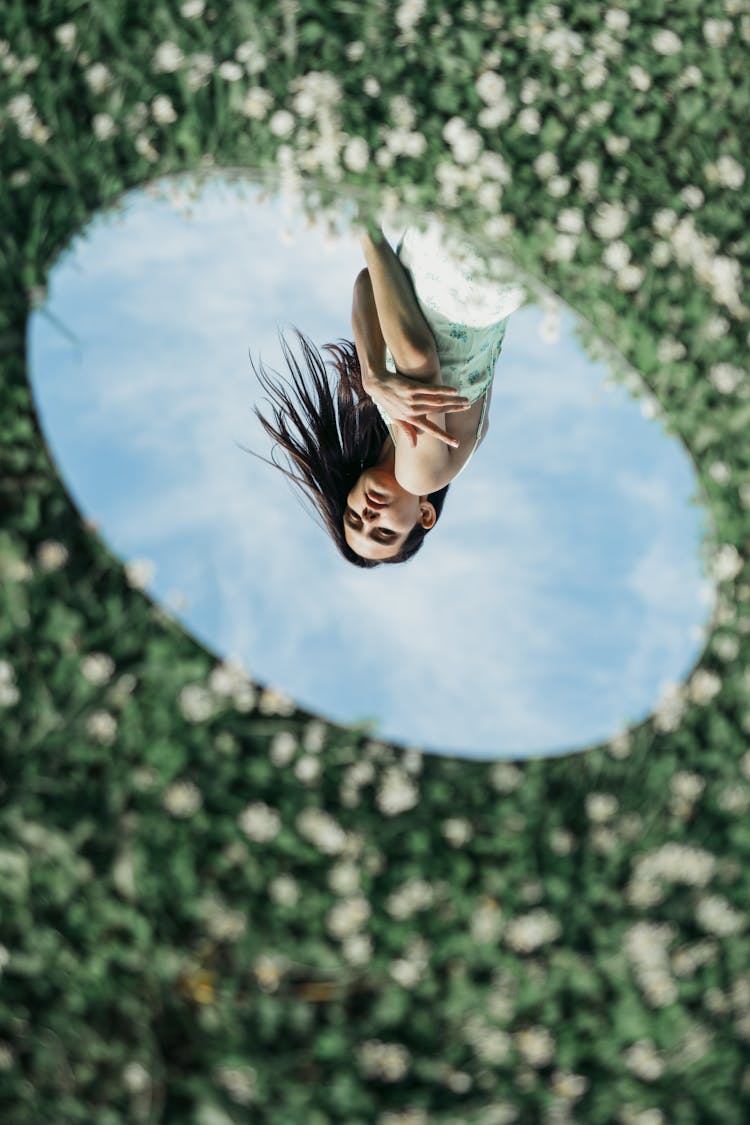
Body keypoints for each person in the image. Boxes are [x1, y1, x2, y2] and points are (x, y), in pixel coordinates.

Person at [251, 216, 526, 568]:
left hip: (453, 266)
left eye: (354, 518)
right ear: (425, 515)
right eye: (383, 532)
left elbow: (368, 283)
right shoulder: (420, 475)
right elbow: (417, 356)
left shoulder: (392, 420)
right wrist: (367, 229)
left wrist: (373, 375)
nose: (368, 517)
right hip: (460, 273)